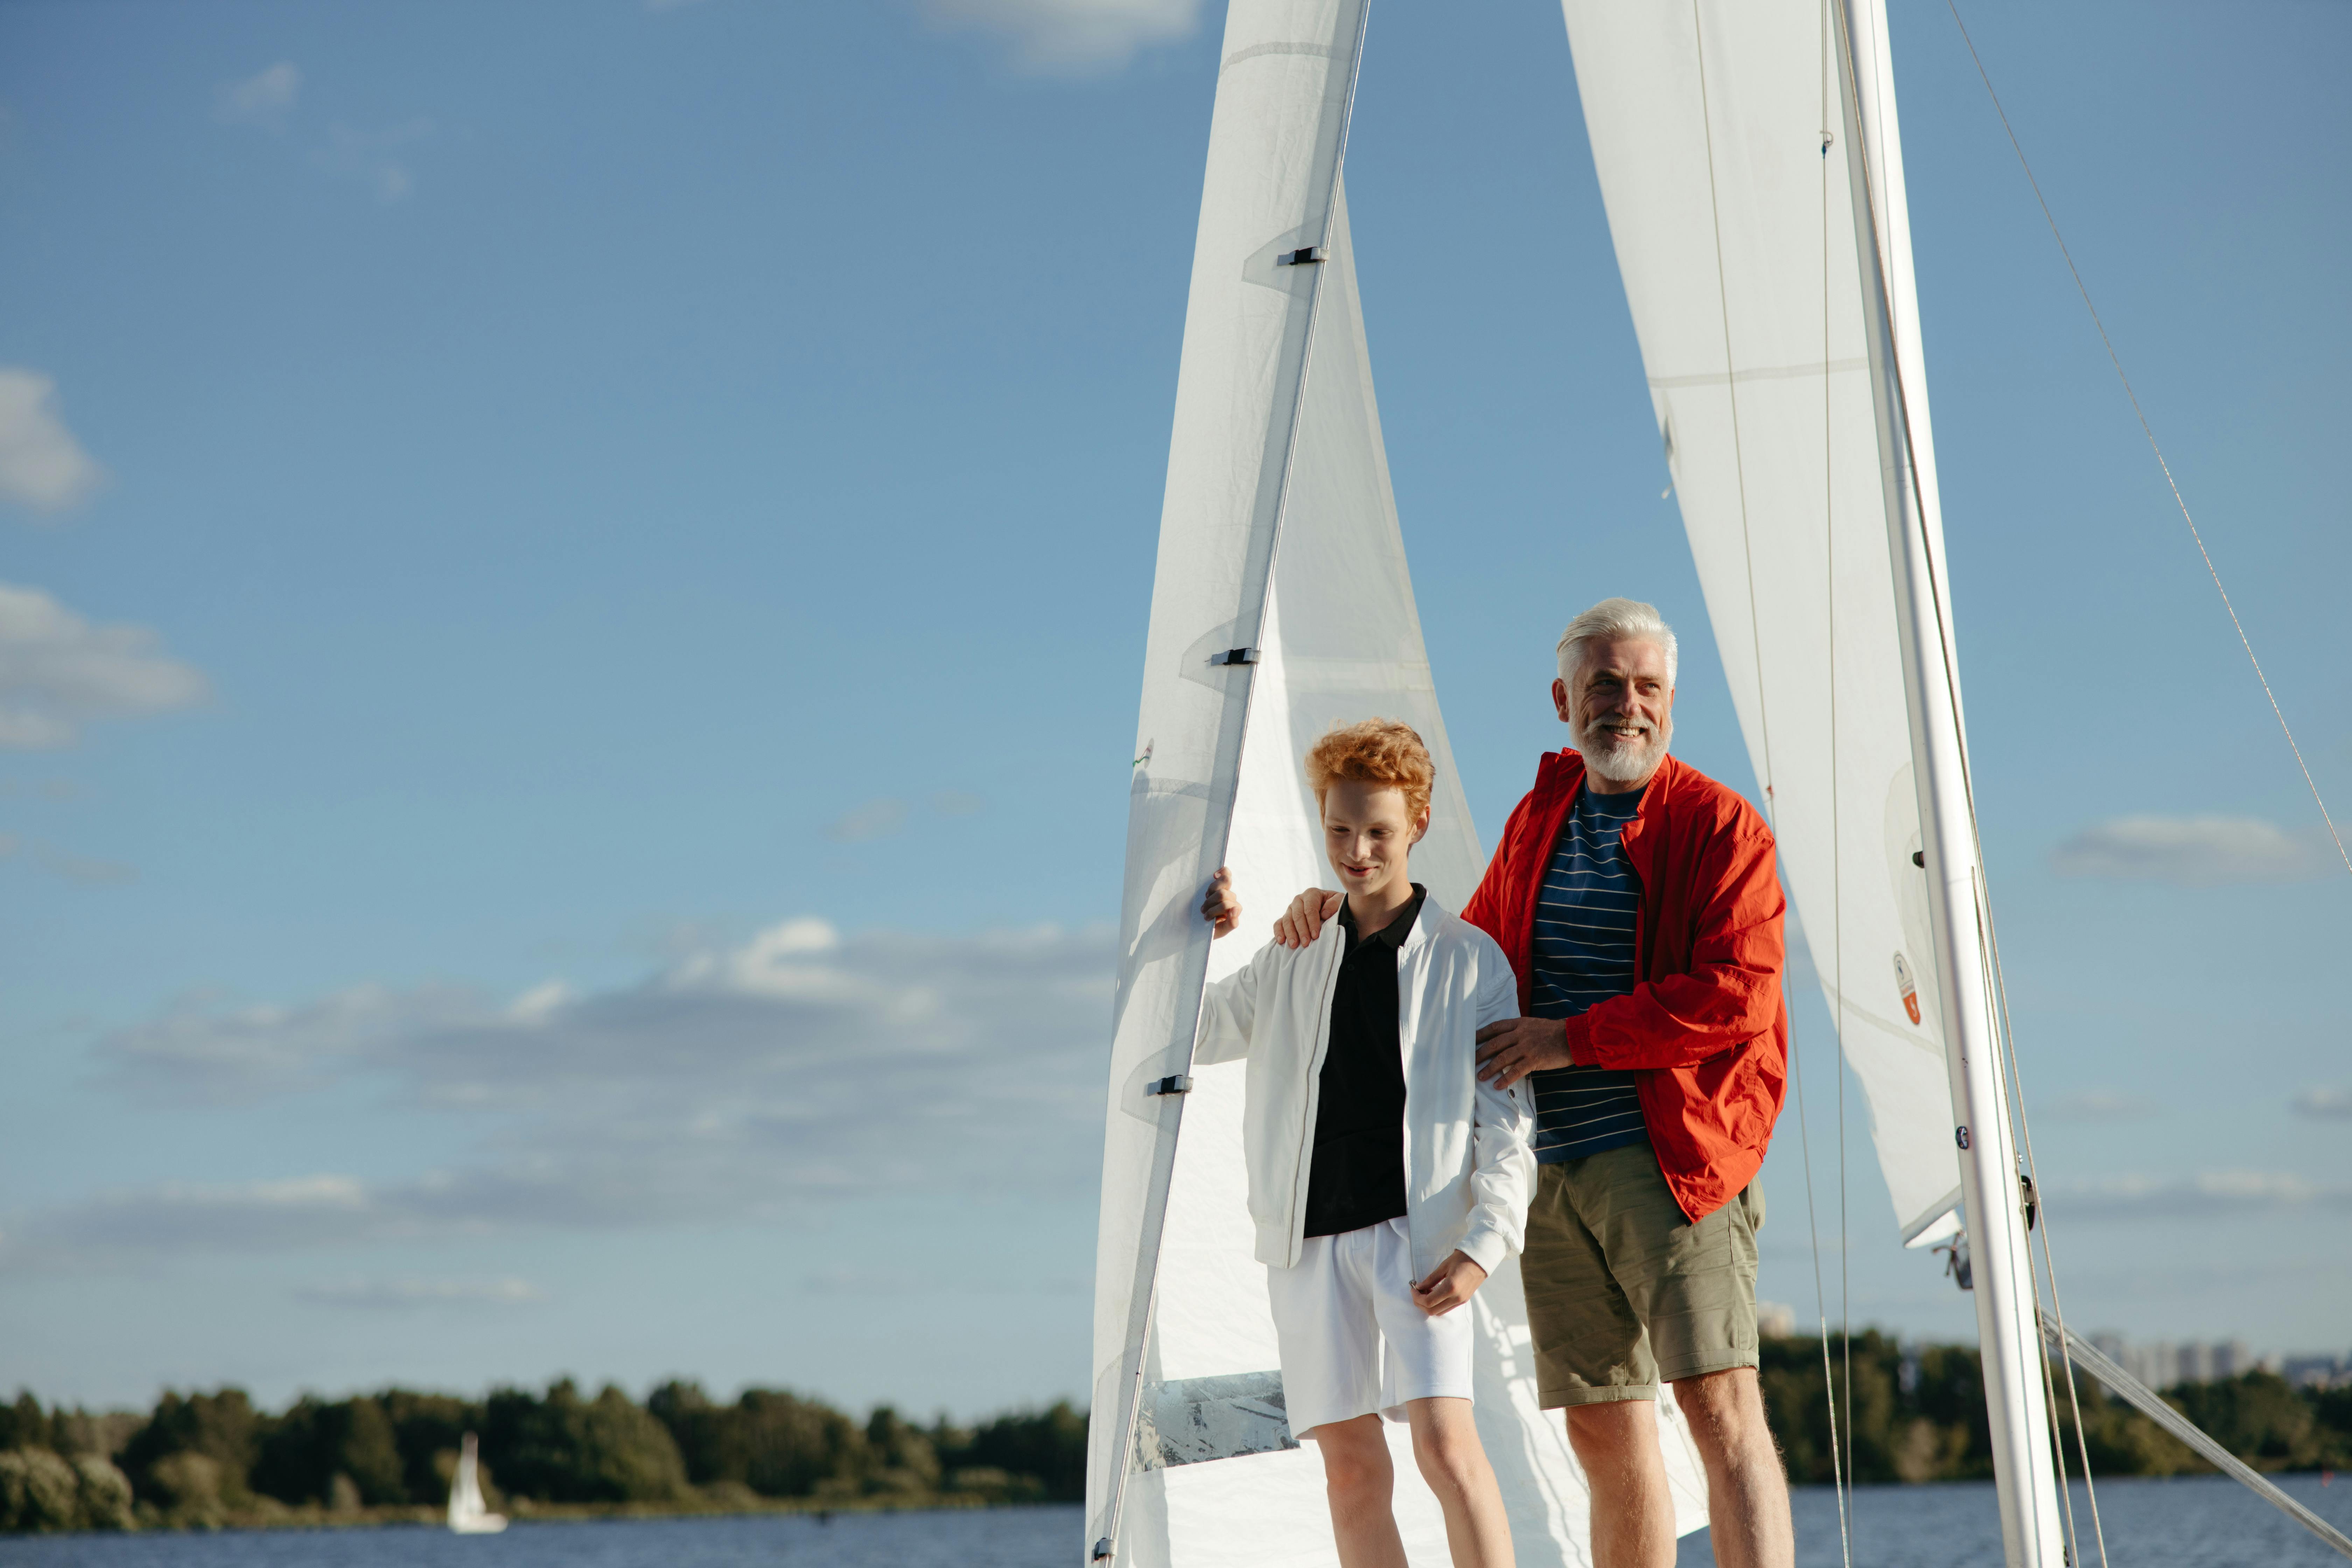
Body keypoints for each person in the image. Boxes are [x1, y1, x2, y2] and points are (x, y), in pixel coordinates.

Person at [1258, 600, 1793, 1568]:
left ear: (1672, 701)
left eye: (1646, 686)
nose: (1625, 704)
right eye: (1603, 684)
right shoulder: (1539, 817)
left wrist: (1571, 1039)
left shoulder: (1721, 824)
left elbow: (1739, 996)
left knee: (1719, 1406)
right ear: (1562, 699)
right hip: (1552, 1172)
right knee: (1603, 1426)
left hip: (1673, 1163)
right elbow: (1455, 962)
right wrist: (1334, 910)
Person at [1195, 718, 1533, 1568]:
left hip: (1421, 1239)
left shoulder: (1470, 959)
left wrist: (1484, 1247)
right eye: (1339, 828)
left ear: (1417, 823)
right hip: (1306, 1239)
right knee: (1350, 1472)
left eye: (1378, 831)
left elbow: (1509, 1124)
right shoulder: (1293, 949)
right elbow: (1192, 1030)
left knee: (1447, 1450)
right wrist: (1198, 934)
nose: (1356, 850)